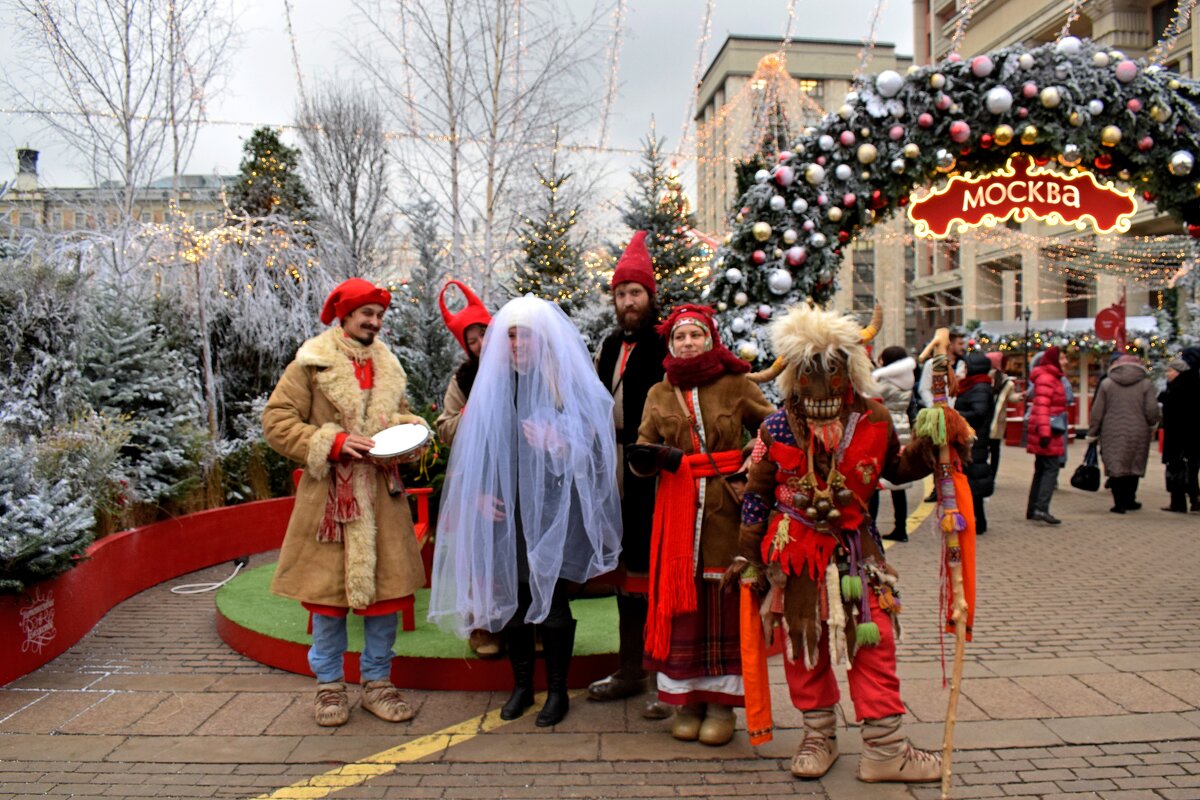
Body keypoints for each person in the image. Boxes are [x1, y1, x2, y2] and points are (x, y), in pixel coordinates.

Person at [730, 303, 946, 783]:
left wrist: (932, 447)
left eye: (832, 369)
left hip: (857, 553)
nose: (821, 385)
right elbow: (756, 496)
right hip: (794, 558)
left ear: (849, 369)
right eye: (808, 371)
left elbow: (895, 469)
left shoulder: (872, 417)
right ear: (794, 376)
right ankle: (817, 735)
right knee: (804, 647)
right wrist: (748, 557)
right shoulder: (775, 426)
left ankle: (886, 750)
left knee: (875, 643)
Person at [428, 296, 622, 728]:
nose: (517, 345)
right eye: (510, 336)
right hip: (504, 511)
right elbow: (472, 451)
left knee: (550, 603)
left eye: (525, 336)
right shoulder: (490, 384)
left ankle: (556, 691)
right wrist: (478, 495)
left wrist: (559, 442)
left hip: (551, 510)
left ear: (542, 340)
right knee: (511, 602)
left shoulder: (562, 380)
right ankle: (521, 688)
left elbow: (594, 443)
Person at [263, 278, 429, 727]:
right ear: (346, 316)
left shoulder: (388, 365)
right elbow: (277, 422)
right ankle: (329, 688)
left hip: (381, 498)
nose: (374, 323)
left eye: (379, 316)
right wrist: (331, 441)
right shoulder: (311, 363)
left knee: (385, 599)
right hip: (328, 504)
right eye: (366, 315)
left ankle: (378, 684)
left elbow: (393, 416)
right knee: (328, 601)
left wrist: (409, 431)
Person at [628, 304, 773, 746]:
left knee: (724, 607)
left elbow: (771, 426)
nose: (687, 343)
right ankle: (686, 701)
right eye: (679, 337)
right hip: (677, 513)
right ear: (670, 345)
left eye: (695, 335)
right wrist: (652, 458)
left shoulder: (736, 384)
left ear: (710, 339)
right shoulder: (658, 392)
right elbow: (642, 445)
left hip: (727, 515)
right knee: (683, 610)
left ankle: (722, 707)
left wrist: (753, 458)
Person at [587, 230, 671, 719]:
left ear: (649, 296)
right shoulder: (610, 341)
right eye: (620, 294)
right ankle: (629, 669)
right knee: (625, 574)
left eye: (634, 292)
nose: (627, 301)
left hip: (655, 470)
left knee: (660, 571)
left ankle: (668, 678)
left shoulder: (667, 339)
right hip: (614, 470)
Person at [434, 279, 501, 658]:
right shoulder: (462, 380)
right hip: (478, 476)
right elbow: (444, 428)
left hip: (518, 475)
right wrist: (469, 415)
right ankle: (481, 624)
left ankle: (529, 622)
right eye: (471, 340)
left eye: (483, 334)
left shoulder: (521, 364)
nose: (479, 344)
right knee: (480, 552)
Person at [1086, 354, 1160, 513]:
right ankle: (1130, 499)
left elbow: (1097, 412)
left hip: (1111, 430)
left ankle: (1119, 503)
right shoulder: (1146, 384)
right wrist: (1153, 423)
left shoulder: (1107, 384)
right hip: (1138, 430)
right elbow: (1152, 409)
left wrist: (1093, 432)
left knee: (1116, 464)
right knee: (1134, 463)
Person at [870, 345, 916, 542]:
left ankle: (870, 527)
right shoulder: (907, 382)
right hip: (903, 429)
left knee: (874, 483)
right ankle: (901, 528)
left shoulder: (886, 383)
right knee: (898, 484)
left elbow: (869, 397)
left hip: (885, 431)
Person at [1025, 346, 1069, 525]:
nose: (1066, 361)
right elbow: (1042, 407)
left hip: (1047, 430)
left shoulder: (1051, 377)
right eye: (1063, 358)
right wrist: (1045, 433)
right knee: (1051, 468)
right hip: (1048, 431)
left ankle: (1034, 508)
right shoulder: (1048, 378)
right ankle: (1041, 508)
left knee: (1042, 469)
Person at [956, 353, 996, 533]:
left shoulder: (979, 387)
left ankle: (977, 521)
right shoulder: (974, 386)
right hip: (971, 439)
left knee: (973, 479)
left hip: (974, 440)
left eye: (966, 366)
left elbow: (978, 413)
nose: (963, 370)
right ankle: (976, 519)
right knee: (972, 479)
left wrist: (955, 416)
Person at [1159, 349, 1200, 513]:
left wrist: (1164, 398)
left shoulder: (1178, 387)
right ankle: (1194, 498)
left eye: (1170, 370)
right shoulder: (1195, 382)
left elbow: (1174, 413)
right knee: (1192, 469)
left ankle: (1178, 502)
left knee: (1176, 469)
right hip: (1193, 436)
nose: (1168, 374)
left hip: (1179, 436)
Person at [984, 352, 1020, 480]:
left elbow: (1011, 397)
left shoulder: (1006, 382)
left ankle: (991, 474)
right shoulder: (986, 378)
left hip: (996, 419)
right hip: (988, 418)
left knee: (992, 447)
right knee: (991, 448)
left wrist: (1020, 397)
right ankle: (989, 473)